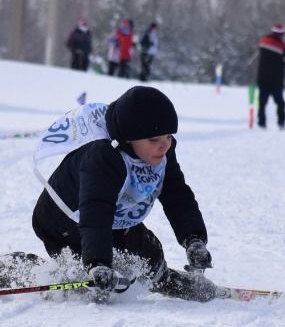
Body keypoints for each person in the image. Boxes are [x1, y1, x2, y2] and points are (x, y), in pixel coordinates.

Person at [31, 85, 215, 302]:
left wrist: (193, 238)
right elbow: (95, 210)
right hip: (63, 220)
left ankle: (166, 280)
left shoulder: (163, 151)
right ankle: (18, 274)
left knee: (148, 253)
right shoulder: (103, 156)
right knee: (82, 277)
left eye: (168, 136)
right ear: (129, 138)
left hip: (109, 216)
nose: (164, 145)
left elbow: (177, 194)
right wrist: (98, 262)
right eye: (154, 140)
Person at [256, 23, 285, 130]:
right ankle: (281, 123)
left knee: (262, 103)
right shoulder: (282, 47)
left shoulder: (263, 41)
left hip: (262, 78)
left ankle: (261, 123)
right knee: (280, 103)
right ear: (282, 34)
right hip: (275, 80)